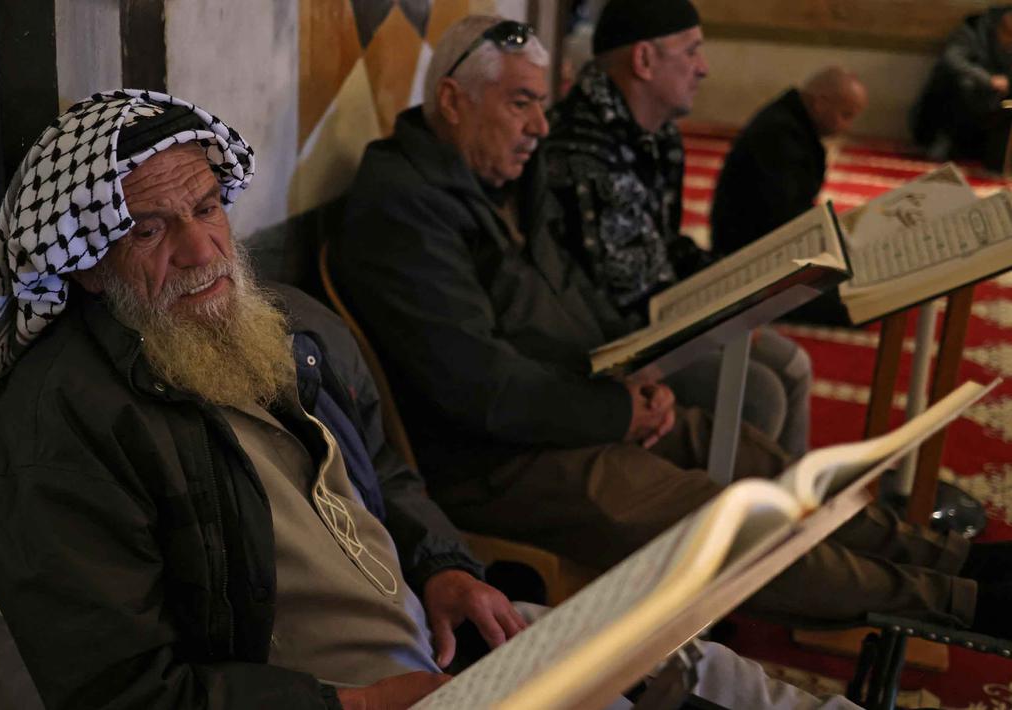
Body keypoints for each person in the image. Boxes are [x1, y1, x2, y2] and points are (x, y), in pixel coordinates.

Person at [0, 90, 857, 710]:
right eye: (148, 229)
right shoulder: (55, 434)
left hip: (437, 645)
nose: (199, 249)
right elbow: (124, 692)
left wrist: (443, 566)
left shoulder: (275, 323)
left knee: (705, 665)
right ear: (82, 260)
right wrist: (359, 703)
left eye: (207, 208)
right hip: (355, 697)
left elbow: (385, 473)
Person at [330, 14, 1012, 642]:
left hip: (557, 410)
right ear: (453, 101)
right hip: (492, 460)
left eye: (542, 102)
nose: (540, 125)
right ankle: (958, 603)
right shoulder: (404, 211)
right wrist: (612, 410)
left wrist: (637, 373)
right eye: (520, 103)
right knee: (724, 515)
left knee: (749, 456)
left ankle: (951, 560)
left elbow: (569, 298)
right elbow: (477, 387)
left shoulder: (496, 176)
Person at [543, 0, 812, 457]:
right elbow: (621, 300)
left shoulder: (657, 132)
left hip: (655, 314)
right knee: (759, 394)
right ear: (644, 60)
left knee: (793, 365)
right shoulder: (582, 150)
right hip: (601, 340)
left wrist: (746, 289)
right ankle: (732, 502)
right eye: (691, 52)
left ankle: (791, 500)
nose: (703, 68)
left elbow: (665, 249)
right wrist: (724, 315)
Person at [710, 67, 867, 326]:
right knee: (855, 304)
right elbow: (784, 220)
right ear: (820, 103)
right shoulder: (779, 136)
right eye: (845, 115)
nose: (847, 126)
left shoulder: (791, 123)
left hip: (759, 245)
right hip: (745, 261)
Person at [911, 5, 1012, 172]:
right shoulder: (973, 30)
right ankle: (943, 142)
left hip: (997, 107)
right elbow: (952, 59)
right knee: (964, 83)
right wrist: (988, 80)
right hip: (963, 100)